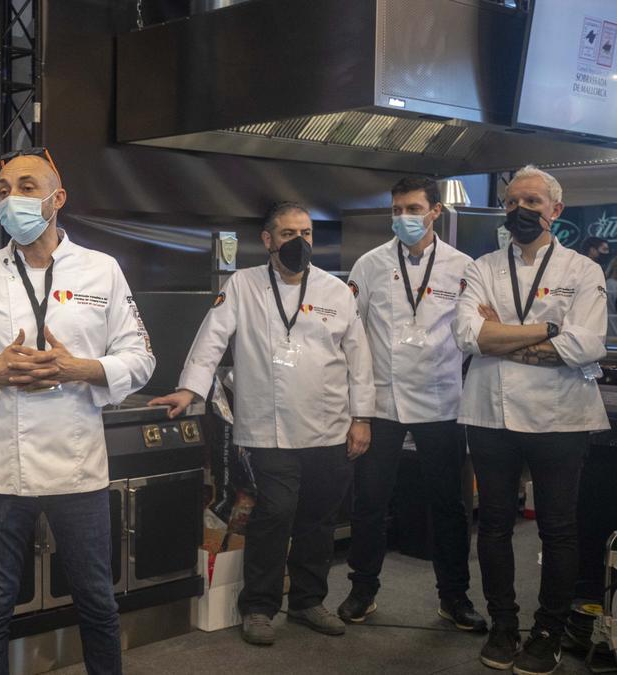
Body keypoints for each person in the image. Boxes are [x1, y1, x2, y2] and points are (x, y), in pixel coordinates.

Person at [0, 147, 154, 674]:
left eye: (27, 187)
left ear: (58, 198)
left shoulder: (103, 270)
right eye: (4, 191)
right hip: (0, 470)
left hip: (78, 471)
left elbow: (141, 358)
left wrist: (80, 369)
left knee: (97, 601)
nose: (13, 200)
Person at [150, 202, 373, 647]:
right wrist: (190, 390)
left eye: (306, 233)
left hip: (329, 425)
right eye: (289, 234)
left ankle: (309, 601)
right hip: (269, 428)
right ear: (268, 240)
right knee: (276, 514)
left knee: (318, 520)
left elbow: (359, 359)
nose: (299, 242)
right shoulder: (242, 285)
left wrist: (361, 417)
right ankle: (258, 606)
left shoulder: (335, 291)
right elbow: (211, 340)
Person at [454, 165, 609, 675]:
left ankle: (547, 632)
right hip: (490, 415)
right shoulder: (480, 267)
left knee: (559, 530)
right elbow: (469, 336)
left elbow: (586, 344)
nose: (522, 210)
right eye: (513, 201)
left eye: (533, 202)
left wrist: (506, 336)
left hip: (561, 417)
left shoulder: (583, 272)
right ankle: (503, 625)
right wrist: (546, 330)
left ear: (555, 211)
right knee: (495, 525)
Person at [337, 177, 485, 631]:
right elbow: (350, 334)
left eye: (414, 208)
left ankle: (454, 596)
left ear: (435, 211)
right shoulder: (369, 264)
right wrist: (354, 408)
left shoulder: (464, 267)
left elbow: (476, 332)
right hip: (381, 401)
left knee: (448, 505)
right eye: (398, 209)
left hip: (442, 401)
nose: (404, 217)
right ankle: (363, 590)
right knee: (370, 502)